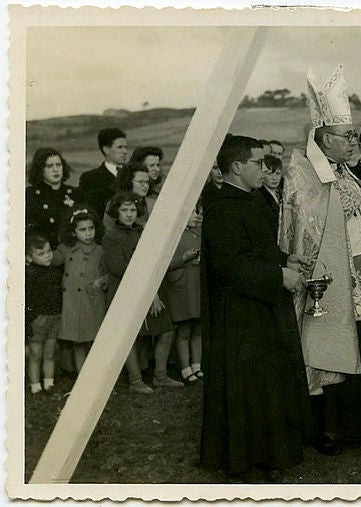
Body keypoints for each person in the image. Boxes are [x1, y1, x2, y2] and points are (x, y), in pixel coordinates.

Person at [280, 65, 361, 451]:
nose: (351, 141)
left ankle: (354, 426)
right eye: (345, 135)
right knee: (320, 354)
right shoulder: (304, 174)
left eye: (351, 134)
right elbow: (302, 230)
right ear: (323, 137)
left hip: (358, 275)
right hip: (327, 278)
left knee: (357, 350)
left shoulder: (342, 172)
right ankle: (321, 430)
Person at [201, 134, 312, 477]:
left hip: (258, 307)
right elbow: (231, 266)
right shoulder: (222, 210)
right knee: (249, 388)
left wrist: (286, 258)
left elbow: (256, 251)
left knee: (265, 385)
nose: (264, 170)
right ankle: (249, 459)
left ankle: (268, 453)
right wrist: (279, 276)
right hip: (240, 315)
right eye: (257, 163)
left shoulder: (247, 201)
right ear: (236, 167)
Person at [103, 191, 185, 394]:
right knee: (129, 336)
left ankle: (160, 376)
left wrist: (183, 259)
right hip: (125, 291)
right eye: (124, 210)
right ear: (116, 212)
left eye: (132, 209)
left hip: (150, 288)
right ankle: (135, 380)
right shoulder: (111, 237)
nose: (129, 214)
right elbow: (121, 269)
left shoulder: (142, 232)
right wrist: (150, 294)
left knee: (165, 332)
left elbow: (156, 262)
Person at [54, 207, 107, 373]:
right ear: (73, 232)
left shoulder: (100, 250)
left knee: (96, 340)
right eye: (82, 230)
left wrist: (101, 281)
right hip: (73, 301)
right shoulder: (66, 248)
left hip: (93, 299)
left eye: (91, 228)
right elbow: (53, 260)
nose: (88, 233)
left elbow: (108, 273)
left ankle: (97, 375)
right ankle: (82, 375)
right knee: (79, 341)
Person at [165, 205, 203, 383]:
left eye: (197, 212)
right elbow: (167, 263)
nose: (196, 216)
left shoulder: (198, 233)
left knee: (198, 327)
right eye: (192, 213)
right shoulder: (173, 236)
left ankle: (197, 364)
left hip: (196, 284)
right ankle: (185, 367)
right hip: (182, 286)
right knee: (184, 328)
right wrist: (185, 259)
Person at [25, 233, 63, 394]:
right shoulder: (29, 274)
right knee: (36, 355)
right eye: (41, 253)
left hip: (54, 317)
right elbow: (27, 301)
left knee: (49, 353)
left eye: (48, 251)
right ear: (29, 257)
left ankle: (49, 384)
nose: (47, 256)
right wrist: (30, 322)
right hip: (38, 320)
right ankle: (35, 387)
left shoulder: (54, 271)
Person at [26, 147, 82, 249]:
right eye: (49, 166)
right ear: (40, 170)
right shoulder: (30, 196)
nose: (55, 169)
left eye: (58, 165)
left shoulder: (75, 194)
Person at [79, 127, 128, 218]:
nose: (125, 151)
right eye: (120, 147)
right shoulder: (90, 178)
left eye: (125, 147)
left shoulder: (134, 174)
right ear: (106, 149)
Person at [102, 161, 154, 232]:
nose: (145, 186)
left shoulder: (153, 203)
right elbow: (111, 232)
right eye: (141, 182)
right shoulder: (115, 204)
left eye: (147, 182)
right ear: (128, 182)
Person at [256, 154, 283, 236]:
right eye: (270, 173)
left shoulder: (283, 193)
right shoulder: (257, 197)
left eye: (277, 173)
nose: (274, 178)